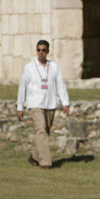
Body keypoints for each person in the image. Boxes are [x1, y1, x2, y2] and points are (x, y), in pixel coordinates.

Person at [17, 40, 70, 170]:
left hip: (51, 103)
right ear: (36, 51)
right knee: (41, 129)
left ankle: (34, 157)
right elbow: (22, 87)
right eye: (39, 50)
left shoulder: (54, 67)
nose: (41, 52)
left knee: (45, 132)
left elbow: (60, 85)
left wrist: (65, 103)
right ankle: (46, 162)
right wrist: (20, 107)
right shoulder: (29, 68)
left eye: (43, 50)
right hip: (35, 103)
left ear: (47, 52)